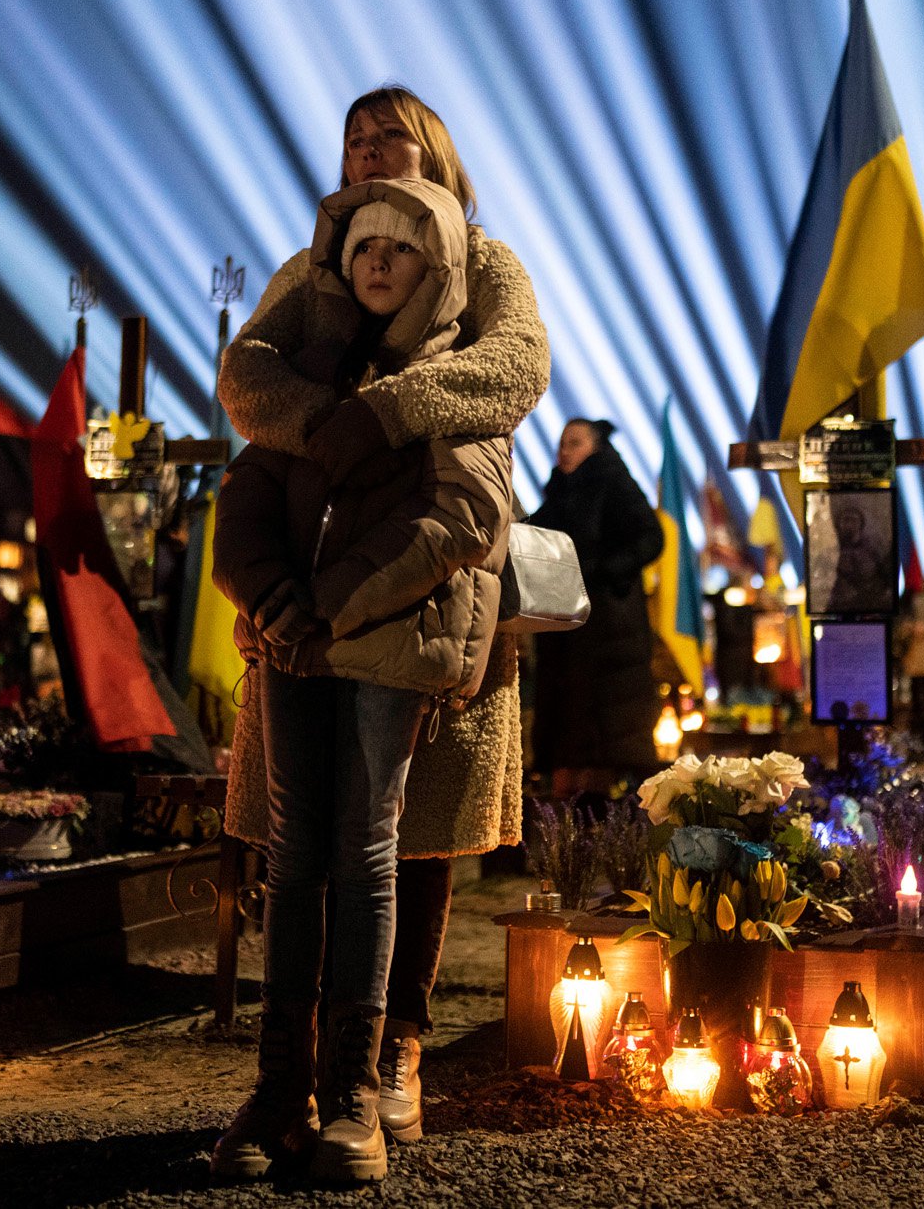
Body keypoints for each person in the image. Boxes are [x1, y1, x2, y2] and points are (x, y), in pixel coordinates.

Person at [214, 86, 547, 1162]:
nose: (366, 150)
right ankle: (297, 1082)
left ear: (435, 152)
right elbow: (246, 377)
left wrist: (389, 414)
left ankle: (389, 1055)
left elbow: (513, 370)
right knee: (311, 841)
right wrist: (323, 428)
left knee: (412, 840)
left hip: (423, 594)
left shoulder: (485, 265)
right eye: (353, 139)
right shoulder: (316, 272)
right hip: (308, 593)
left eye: (387, 136)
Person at [525, 418, 667, 798]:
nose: (564, 451)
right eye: (561, 444)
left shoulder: (612, 481)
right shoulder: (559, 491)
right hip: (569, 635)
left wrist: (605, 571)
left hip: (608, 633)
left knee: (602, 746)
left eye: (574, 443)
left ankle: (599, 834)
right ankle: (565, 841)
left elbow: (652, 537)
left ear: (596, 447)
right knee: (568, 740)